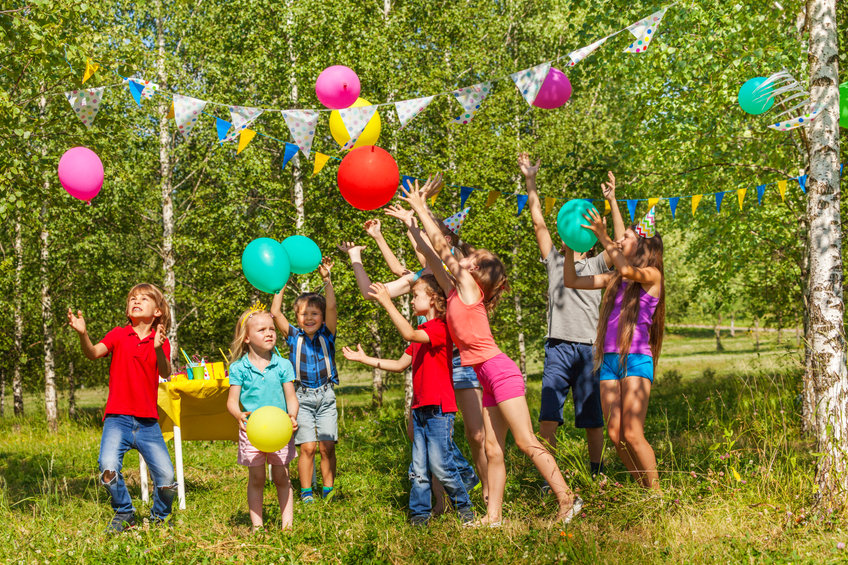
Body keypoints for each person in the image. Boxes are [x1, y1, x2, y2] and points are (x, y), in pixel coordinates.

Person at [400, 179, 582, 526]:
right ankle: (493, 516)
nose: (464, 256)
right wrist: (413, 220)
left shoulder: (470, 290)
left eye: (471, 257)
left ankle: (567, 498)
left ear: (475, 270)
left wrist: (422, 207)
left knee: (526, 441)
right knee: (492, 448)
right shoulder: (456, 292)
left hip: (499, 371)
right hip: (486, 376)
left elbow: (442, 248)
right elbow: (432, 256)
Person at [518, 153, 625, 478]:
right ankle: (547, 478)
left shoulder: (596, 264)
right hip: (558, 348)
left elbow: (619, 244)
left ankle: (596, 473)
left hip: (589, 350)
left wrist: (613, 201)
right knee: (548, 417)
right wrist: (530, 181)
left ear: (590, 243)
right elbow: (538, 222)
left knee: (593, 419)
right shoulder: (554, 260)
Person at [342, 276, 476, 526]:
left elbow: (408, 333)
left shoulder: (439, 328)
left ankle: (464, 508)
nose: (412, 301)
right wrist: (364, 359)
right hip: (420, 408)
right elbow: (398, 365)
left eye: (415, 296)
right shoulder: (422, 335)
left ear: (433, 299)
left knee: (440, 465)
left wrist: (386, 301)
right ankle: (420, 514)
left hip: (439, 409)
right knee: (418, 468)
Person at [562, 206, 665, 490]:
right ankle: (644, 489)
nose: (620, 241)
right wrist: (569, 249)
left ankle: (657, 495)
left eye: (626, 238)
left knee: (632, 434)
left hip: (636, 359)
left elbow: (627, 268)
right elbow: (571, 280)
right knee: (616, 436)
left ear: (642, 246)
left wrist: (602, 234)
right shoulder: (615, 279)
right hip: (609, 360)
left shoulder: (652, 275)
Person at [67, 283, 177, 533]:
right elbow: (93, 353)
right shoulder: (118, 334)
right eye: (132, 299)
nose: (136, 301)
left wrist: (158, 348)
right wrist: (83, 334)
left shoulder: (160, 340)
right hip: (117, 419)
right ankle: (124, 512)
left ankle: (160, 518)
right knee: (107, 468)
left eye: (144, 298)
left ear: (157, 311)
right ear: (128, 310)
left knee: (167, 478)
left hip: (148, 422)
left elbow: (165, 372)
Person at [270, 258, 339, 503]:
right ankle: (306, 492)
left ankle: (328, 490)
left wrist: (327, 280)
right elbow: (275, 313)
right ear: (297, 317)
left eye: (314, 314)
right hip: (301, 397)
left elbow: (332, 307)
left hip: (326, 396)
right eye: (303, 314)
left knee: (327, 446)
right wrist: (281, 283)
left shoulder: (328, 334)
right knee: (308, 447)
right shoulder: (292, 335)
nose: (309, 318)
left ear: (322, 317)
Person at [226, 305, 300, 531]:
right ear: (246, 338)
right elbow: (231, 401)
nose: (269, 333)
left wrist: (292, 416)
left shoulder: (283, 365)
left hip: (280, 430)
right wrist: (238, 414)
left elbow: (291, 398)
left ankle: (288, 527)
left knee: (282, 477)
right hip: (252, 431)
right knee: (256, 478)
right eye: (261, 330)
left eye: (272, 329)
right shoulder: (239, 368)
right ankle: (257, 527)